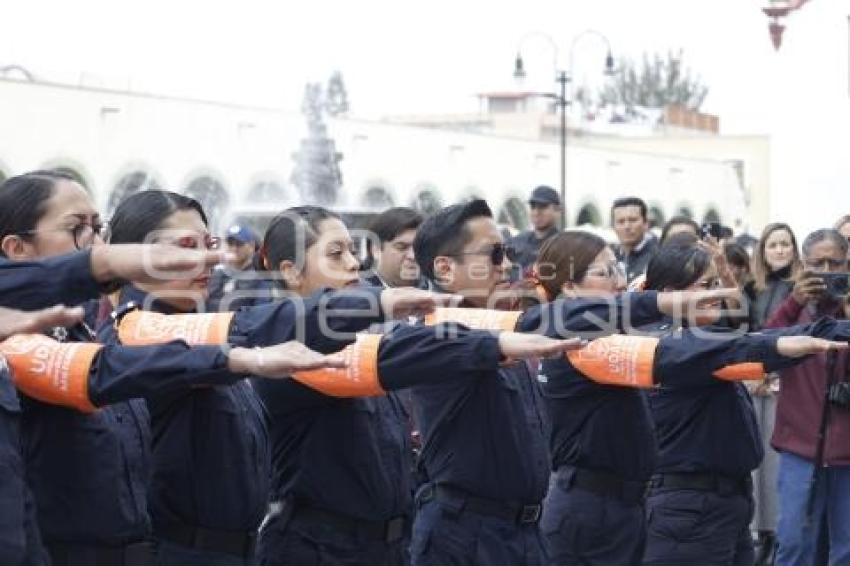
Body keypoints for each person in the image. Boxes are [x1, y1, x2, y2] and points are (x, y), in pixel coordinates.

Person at [0, 169, 329, 566]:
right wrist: (245, 357)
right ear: (16, 249)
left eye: (98, 228)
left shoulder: (78, 333)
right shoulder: (129, 331)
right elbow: (106, 369)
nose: (96, 244)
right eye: (77, 229)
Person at [765, 229, 850, 566]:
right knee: (793, 544)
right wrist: (796, 301)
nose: (827, 272)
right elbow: (765, 348)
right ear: (803, 265)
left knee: (846, 549)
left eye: (835, 264)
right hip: (799, 449)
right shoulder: (793, 308)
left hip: (847, 453)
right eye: (818, 264)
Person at [746, 222, 803, 562]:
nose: (780, 250)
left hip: (786, 381)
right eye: (773, 245)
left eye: (785, 244)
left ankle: (779, 533)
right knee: (758, 462)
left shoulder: (802, 288)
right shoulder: (751, 288)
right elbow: (747, 331)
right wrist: (756, 371)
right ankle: (760, 533)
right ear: (763, 251)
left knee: (778, 461)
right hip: (754, 379)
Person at [207, 224, 274, 311]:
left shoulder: (261, 276)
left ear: (251, 246)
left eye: (239, 244)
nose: (234, 248)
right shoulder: (218, 274)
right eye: (230, 243)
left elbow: (261, 311)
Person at [364, 207, 424, 288]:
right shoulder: (355, 291)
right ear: (376, 250)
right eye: (401, 247)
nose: (413, 256)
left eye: (419, 248)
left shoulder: (434, 288)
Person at [508, 185, 561, 274]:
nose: (536, 212)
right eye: (533, 207)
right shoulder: (515, 242)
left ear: (557, 210)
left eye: (543, 207)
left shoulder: (564, 246)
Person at [611, 196, 658, 283]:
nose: (627, 226)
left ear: (646, 223)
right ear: (613, 226)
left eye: (633, 220)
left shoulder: (658, 256)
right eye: (621, 221)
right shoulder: (609, 257)